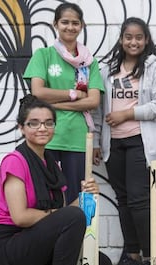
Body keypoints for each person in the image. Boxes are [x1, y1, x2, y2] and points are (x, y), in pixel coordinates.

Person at [0, 95, 103, 265]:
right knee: (71, 218)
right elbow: (20, 217)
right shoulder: (15, 161)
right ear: (21, 128)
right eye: (34, 123)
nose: (42, 128)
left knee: (99, 264)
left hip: (35, 242)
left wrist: (86, 194)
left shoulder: (51, 164)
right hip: (9, 244)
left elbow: (66, 213)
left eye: (48, 123)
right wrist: (59, 215)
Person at [92, 17, 156, 265]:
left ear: (146, 39)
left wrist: (128, 113)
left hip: (141, 142)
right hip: (113, 144)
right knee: (124, 200)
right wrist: (95, 142)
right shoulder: (107, 69)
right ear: (122, 39)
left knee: (140, 201)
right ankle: (133, 254)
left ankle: (152, 260)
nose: (133, 42)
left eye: (139, 37)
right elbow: (99, 109)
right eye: (128, 37)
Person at [23, 2, 104, 206]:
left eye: (75, 23)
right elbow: (38, 92)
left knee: (75, 197)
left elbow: (93, 101)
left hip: (77, 138)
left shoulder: (89, 62)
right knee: (44, 196)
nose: (70, 27)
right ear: (55, 24)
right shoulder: (44, 55)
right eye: (65, 22)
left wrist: (56, 104)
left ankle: (73, 239)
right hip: (46, 136)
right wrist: (73, 94)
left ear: (82, 25)